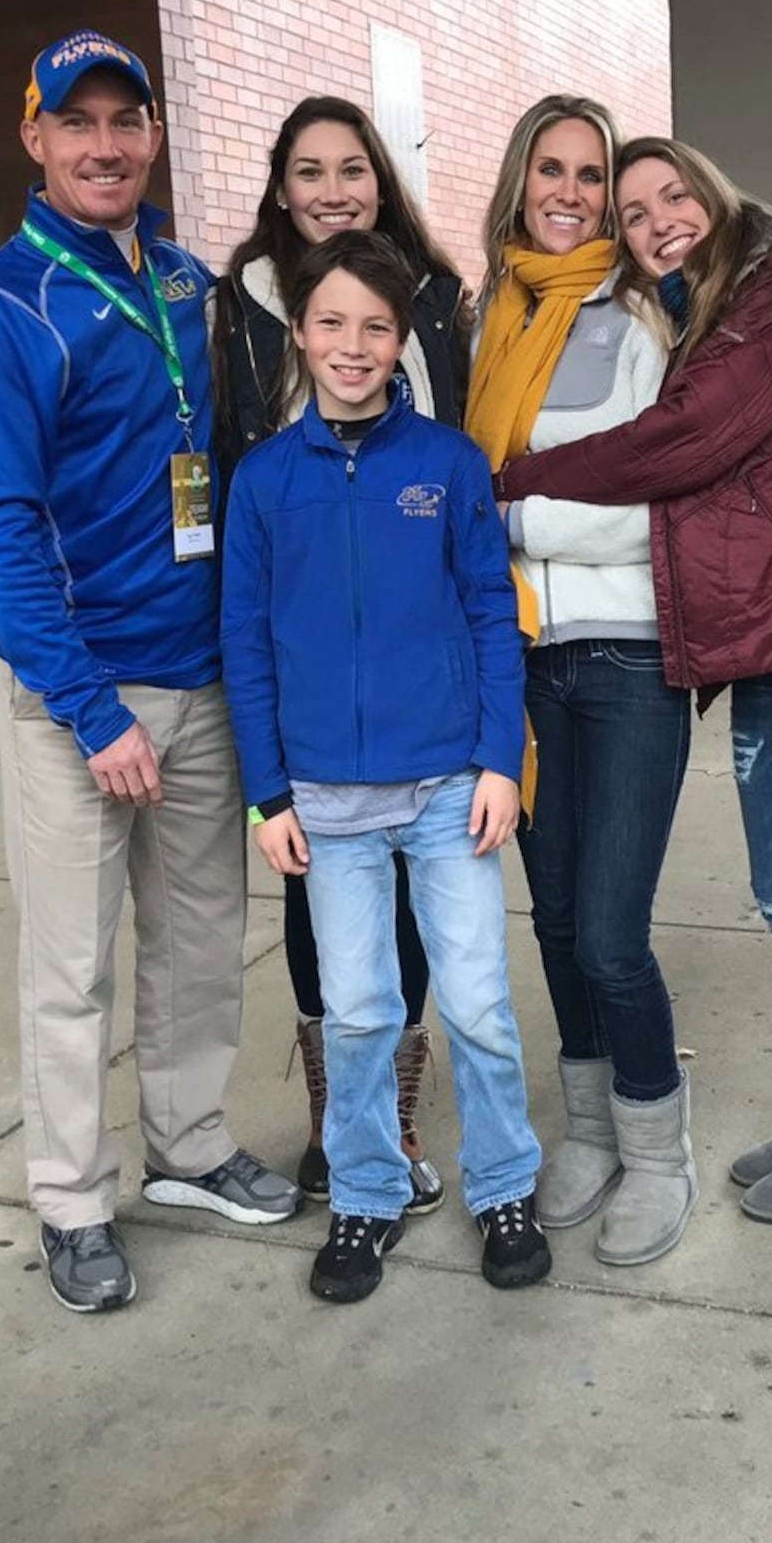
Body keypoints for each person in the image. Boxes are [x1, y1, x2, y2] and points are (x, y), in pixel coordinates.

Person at [0, 31, 298, 1317]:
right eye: (74, 122)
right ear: (33, 139)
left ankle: (190, 1147)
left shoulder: (193, 288)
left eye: (124, 121)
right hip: (75, 697)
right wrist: (89, 710)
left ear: (152, 137)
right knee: (73, 967)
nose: (103, 145)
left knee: (201, 945)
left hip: (201, 682)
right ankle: (73, 1198)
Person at [496, 137, 772, 1227]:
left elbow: (680, 445)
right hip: (763, 645)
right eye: (634, 215)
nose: (654, 222)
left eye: (668, 196)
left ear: (711, 191)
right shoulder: (700, 313)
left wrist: (518, 476)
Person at [220, 230, 546, 1304]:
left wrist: (499, 758)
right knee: (358, 1010)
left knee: (477, 1004)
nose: (351, 347)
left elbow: (493, 618)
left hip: (449, 785)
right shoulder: (265, 483)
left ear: (400, 339)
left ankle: (503, 1184)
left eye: (374, 327)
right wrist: (266, 792)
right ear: (301, 337)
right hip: (325, 799)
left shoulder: (446, 466)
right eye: (330, 325)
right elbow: (246, 645)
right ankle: (364, 1195)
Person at [211, 97, 469, 1216]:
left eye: (351, 169)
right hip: (301, 643)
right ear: (279, 186)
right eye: (307, 170)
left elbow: (456, 459)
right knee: (314, 895)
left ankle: (394, 1113)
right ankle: (336, 1123)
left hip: (412, 663)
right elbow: (214, 451)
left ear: (381, 182)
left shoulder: (436, 299)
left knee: (413, 904)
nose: (330, 189)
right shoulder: (239, 306)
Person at [464, 95, 698, 1269]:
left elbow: (659, 504)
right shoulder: (487, 319)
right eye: (549, 169)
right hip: (518, 663)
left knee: (611, 932)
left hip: (626, 659)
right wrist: (513, 511)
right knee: (553, 923)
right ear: (520, 181)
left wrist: (516, 510)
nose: (569, 191)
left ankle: (660, 1150)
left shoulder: (648, 318)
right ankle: (594, 1135)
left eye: (590, 173)